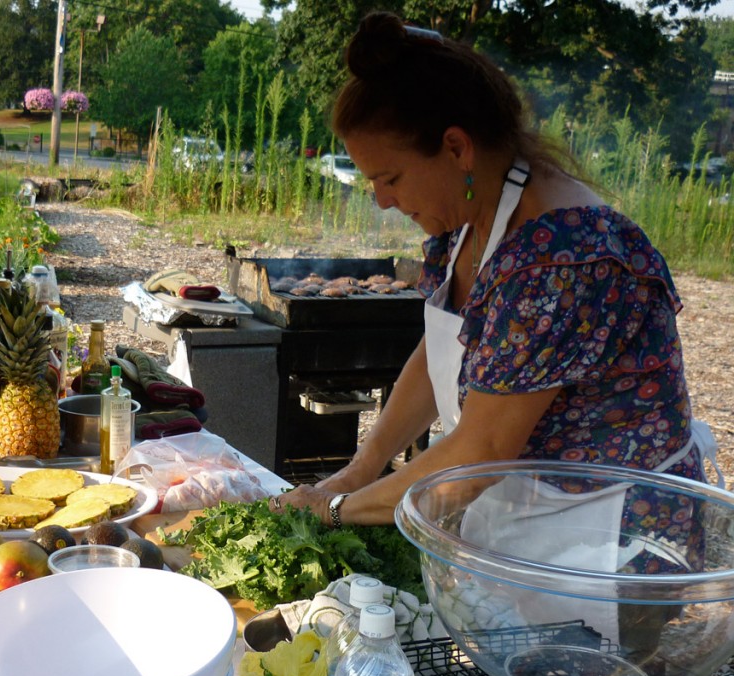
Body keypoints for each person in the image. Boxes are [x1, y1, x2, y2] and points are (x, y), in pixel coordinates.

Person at [272, 12, 722, 570]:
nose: (381, 200)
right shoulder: (465, 224)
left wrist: (337, 509)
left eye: (389, 178)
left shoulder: (562, 258)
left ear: (457, 148)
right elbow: (435, 357)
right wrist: (359, 471)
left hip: (613, 545)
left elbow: (481, 453)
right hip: (530, 516)